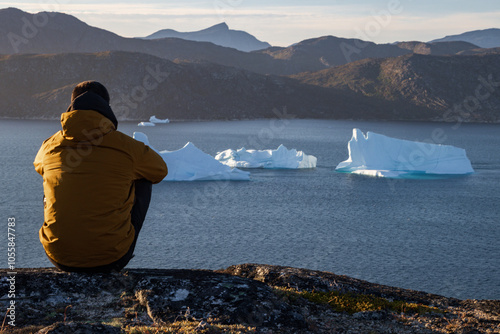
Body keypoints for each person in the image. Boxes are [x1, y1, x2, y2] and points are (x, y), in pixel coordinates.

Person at [34, 81, 168, 273]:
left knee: (52, 177)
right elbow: (159, 171)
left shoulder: (50, 146)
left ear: (71, 107)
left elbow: (38, 166)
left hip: (58, 256)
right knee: (144, 178)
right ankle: (114, 239)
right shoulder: (127, 147)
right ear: (106, 107)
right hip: (112, 258)